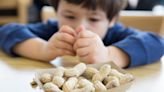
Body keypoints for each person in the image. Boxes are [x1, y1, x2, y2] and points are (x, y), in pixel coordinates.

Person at [0, 0, 164, 68]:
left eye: (94, 18)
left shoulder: (116, 34)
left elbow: (157, 43)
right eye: (69, 16)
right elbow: (7, 31)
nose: (81, 27)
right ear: (56, 12)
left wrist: (108, 54)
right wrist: (42, 49)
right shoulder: (52, 31)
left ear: (112, 19)